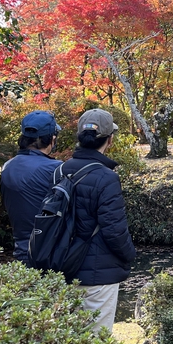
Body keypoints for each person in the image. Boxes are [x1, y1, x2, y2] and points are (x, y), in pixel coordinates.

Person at [61, 108, 137, 332]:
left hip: (63, 266)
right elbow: (114, 230)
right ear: (110, 139)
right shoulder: (107, 177)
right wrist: (129, 255)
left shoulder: (60, 171)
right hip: (98, 273)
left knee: (69, 340)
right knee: (97, 341)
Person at [0, 110, 63, 263]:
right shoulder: (56, 169)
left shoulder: (7, 167)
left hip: (21, 252)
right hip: (53, 254)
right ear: (52, 139)